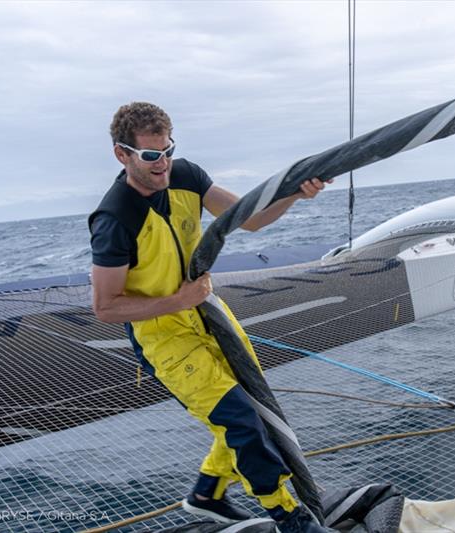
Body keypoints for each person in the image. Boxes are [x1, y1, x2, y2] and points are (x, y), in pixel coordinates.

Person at [89, 102, 332, 532]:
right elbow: (105, 307)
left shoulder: (187, 176)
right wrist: (180, 300)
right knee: (241, 419)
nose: (162, 163)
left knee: (249, 410)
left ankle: (206, 494)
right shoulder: (115, 218)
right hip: (164, 336)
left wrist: (296, 192)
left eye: (167, 149)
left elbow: (252, 219)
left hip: (209, 315)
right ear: (122, 154)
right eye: (150, 155)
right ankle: (287, 515)